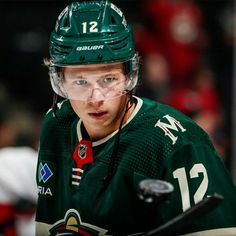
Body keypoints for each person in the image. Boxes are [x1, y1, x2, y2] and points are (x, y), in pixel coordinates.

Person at [35, 1, 236, 235]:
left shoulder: (177, 143)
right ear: (60, 80)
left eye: (108, 79)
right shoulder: (56, 124)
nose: (95, 98)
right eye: (80, 82)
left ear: (129, 75)